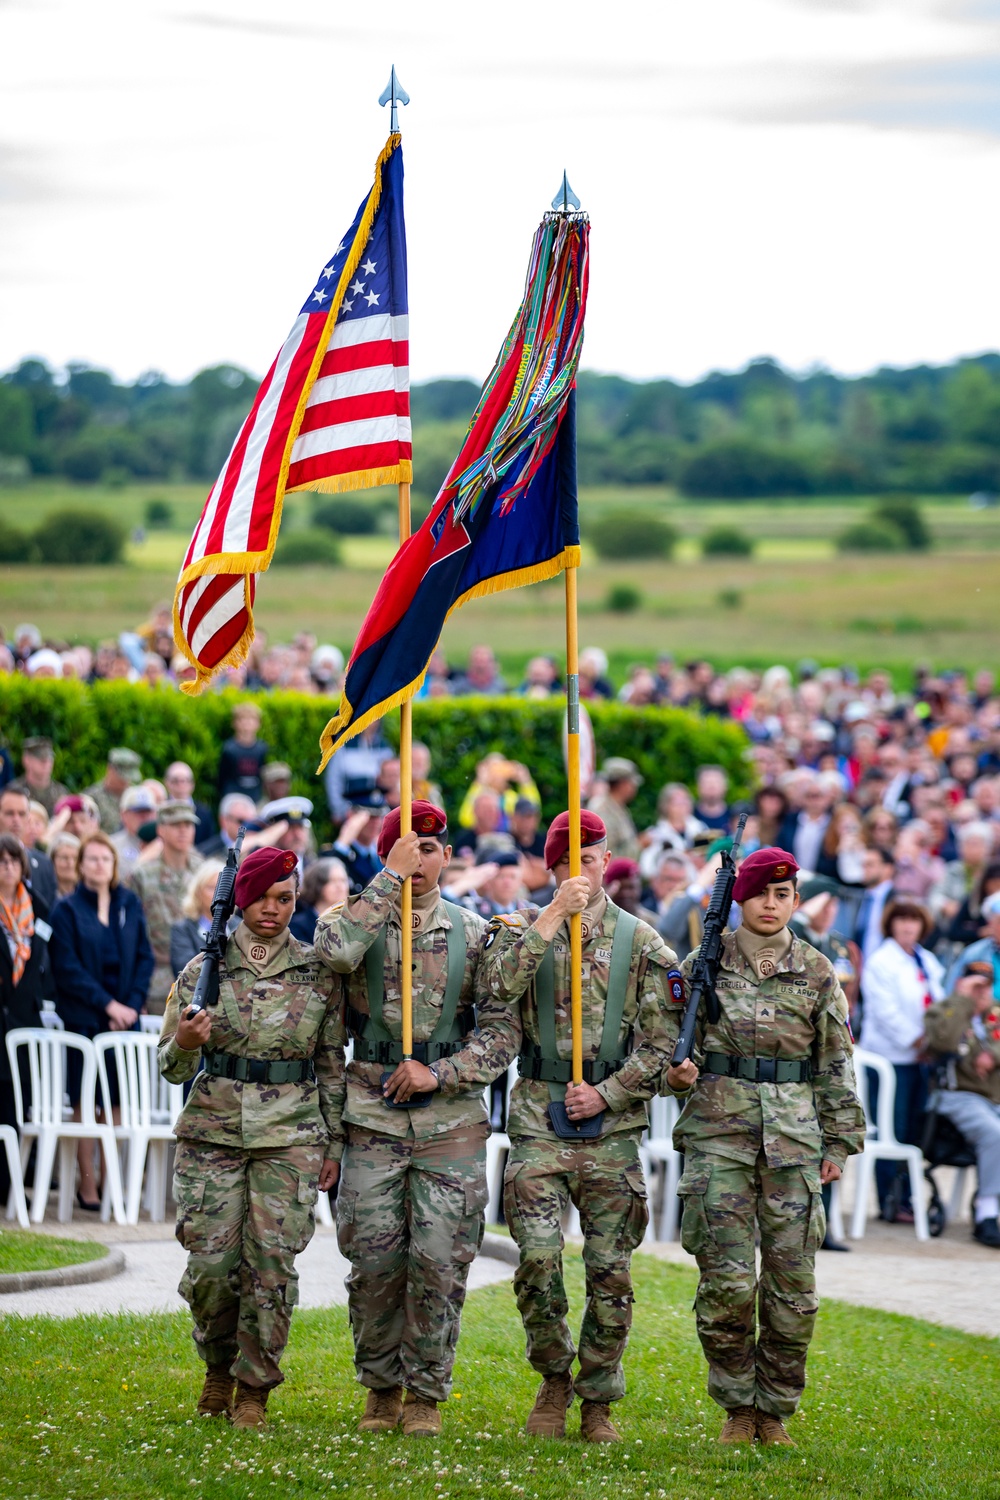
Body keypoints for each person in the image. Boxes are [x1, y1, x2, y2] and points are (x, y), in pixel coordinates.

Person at [312, 801, 519, 1439]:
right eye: (408, 849)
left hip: (449, 1117)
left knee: (440, 1257)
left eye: (431, 849)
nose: (421, 860)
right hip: (370, 1112)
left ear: (448, 854)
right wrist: (386, 883)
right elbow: (338, 956)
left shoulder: (476, 933)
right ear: (387, 855)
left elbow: (502, 1031)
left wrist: (444, 1072)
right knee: (373, 1257)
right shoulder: (349, 923)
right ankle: (381, 1387)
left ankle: (425, 1391)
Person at [483, 810, 677, 1444]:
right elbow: (495, 990)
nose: (586, 873)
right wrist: (547, 920)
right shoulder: (519, 930)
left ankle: (597, 1398)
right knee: (537, 1260)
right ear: (553, 867)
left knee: (609, 1268)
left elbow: (663, 1041)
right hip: (539, 1120)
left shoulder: (641, 943)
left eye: (595, 860)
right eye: (574, 861)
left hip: (611, 1128)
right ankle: (553, 1377)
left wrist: (611, 1092)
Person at [664, 847, 865, 1446]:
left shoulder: (818, 970)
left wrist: (840, 1140)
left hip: (794, 1142)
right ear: (738, 901)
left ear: (795, 901)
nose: (771, 905)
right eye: (760, 894)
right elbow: (664, 1043)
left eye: (783, 895)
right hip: (718, 1136)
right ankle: (736, 1407)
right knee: (725, 1282)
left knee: (792, 1286)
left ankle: (773, 1409)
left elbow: (835, 1061)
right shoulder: (703, 965)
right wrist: (674, 1075)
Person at [159, 847, 344, 1428]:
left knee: (271, 1266)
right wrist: (188, 1042)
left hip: (290, 1133)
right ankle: (217, 1365)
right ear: (241, 898)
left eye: (285, 899)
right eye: (263, 897)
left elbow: (332, 1064)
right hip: (212, 1132)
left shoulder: (318, 970)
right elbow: (168, 1066)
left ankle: (253, 1390)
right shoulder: (201, 970)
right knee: (212, 1266)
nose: (273, 909)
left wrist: (333, 1144)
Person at [49, 832, 154, 1209]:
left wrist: (130, 1006)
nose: (98, 864)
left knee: (117, 1105)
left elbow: (145, 958)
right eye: (91, 859)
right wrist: (109, 1006)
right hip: (84, 1020)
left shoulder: (129, 903)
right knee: (85, 1103)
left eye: (104, 859)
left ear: (113, 864)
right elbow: (67, 968)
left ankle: (113, 1182)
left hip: (124, 1022)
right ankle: (87, 1185)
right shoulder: (66, 910)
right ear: (80, 865)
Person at [860, 897, 944, 1221]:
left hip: (921, 1060)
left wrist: (934, 1039)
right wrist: (916, 1039)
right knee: (889, 1129)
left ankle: (908, 1196)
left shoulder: (926, 960)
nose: (908, 926)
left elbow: (939, 1003)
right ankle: (890, 1200)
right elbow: (885, 1012)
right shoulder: (882, 961)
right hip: (891, 1059)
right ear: (891, 924)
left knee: (913, 1130)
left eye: (914, 920)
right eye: (902, 919)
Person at [923, 962, 1000, 1248]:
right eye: (975, 984)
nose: (982, 991)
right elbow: (943, 1041)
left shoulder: (996, 1014)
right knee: (994, 1134)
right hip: (959, 1096)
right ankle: (987, 1213)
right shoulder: (946, 1009)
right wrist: (964, 1000)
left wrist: (992, 1055)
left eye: (986, 985)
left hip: (993, 1097)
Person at [0, 834, 51, 1207]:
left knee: (16, 1105)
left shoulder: (38, 906)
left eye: (13, 861)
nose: (7, 867)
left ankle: (8, 1190)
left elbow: (44, 960)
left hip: (23, 1017)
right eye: (1, 861)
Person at [128, 801, 205, 1015]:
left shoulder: (204, 871)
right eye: (176, 825)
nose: (183, 831)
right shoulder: (143, 875)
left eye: (188, 825)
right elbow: (132, 935)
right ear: (161, 829)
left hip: (201, 976)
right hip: (157, 977)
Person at [0, 786, 57, 909]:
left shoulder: (45, 864)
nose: (16, 820)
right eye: (10, 813)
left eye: (22, 814)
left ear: (28, 818)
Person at [169, 860, 227, 977]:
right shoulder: (182, 930)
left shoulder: (239, 926)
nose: (217, 894)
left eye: (222, 888)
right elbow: (187, 972)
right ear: (198, 892)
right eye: (211, 888)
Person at [587, 758, 643, 863]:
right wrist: (640, 844)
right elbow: (605, 850)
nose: (634, 787)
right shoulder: (601, 809)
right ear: (623, 784)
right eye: (632, 783)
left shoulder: (619, 807)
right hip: (609, 874)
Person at [290, 858, 350, 944]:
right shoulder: (298, 926)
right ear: (318, 885)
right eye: (332, 881)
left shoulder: (352, 922)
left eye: (343, 881)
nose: (340, 886)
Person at [217, 702, 269, 803]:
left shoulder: (262, 748)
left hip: (256, 797)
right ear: (234, 723)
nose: (247, 723)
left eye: (251, 719)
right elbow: (222, 779)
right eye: (242, 719)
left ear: (258, 723)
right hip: (233, 798)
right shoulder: (229, 749)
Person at [84, 747, 142, 834]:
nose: (126, 780)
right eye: (122, 776)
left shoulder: (137, 796)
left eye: (129, 777)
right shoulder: (91, 797)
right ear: (110, 769)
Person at [9, 737, 69, 816]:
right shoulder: (13, 792)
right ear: (26, 760)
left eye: (49, 758)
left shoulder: (61, 793)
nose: (46, 763)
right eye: (40, 759)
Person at [110, 784, 158, 880]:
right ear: (124, 815)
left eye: (148, 811)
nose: (145, 817)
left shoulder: (166, 844)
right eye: (138, 812)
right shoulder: (112, 845)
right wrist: (143, 859)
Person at [164, 761, 217, 842]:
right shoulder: (161, 810)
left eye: (185, 780)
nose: (180, 785)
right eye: (175, 781)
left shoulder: (204, 813)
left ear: (192, 784)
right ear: (167, 783)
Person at [48, 832, 81, 901]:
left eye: (75, 858)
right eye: (64, 858)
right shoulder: (45, 894)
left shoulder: (90, 892)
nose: (71, 864)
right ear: (52, 861)